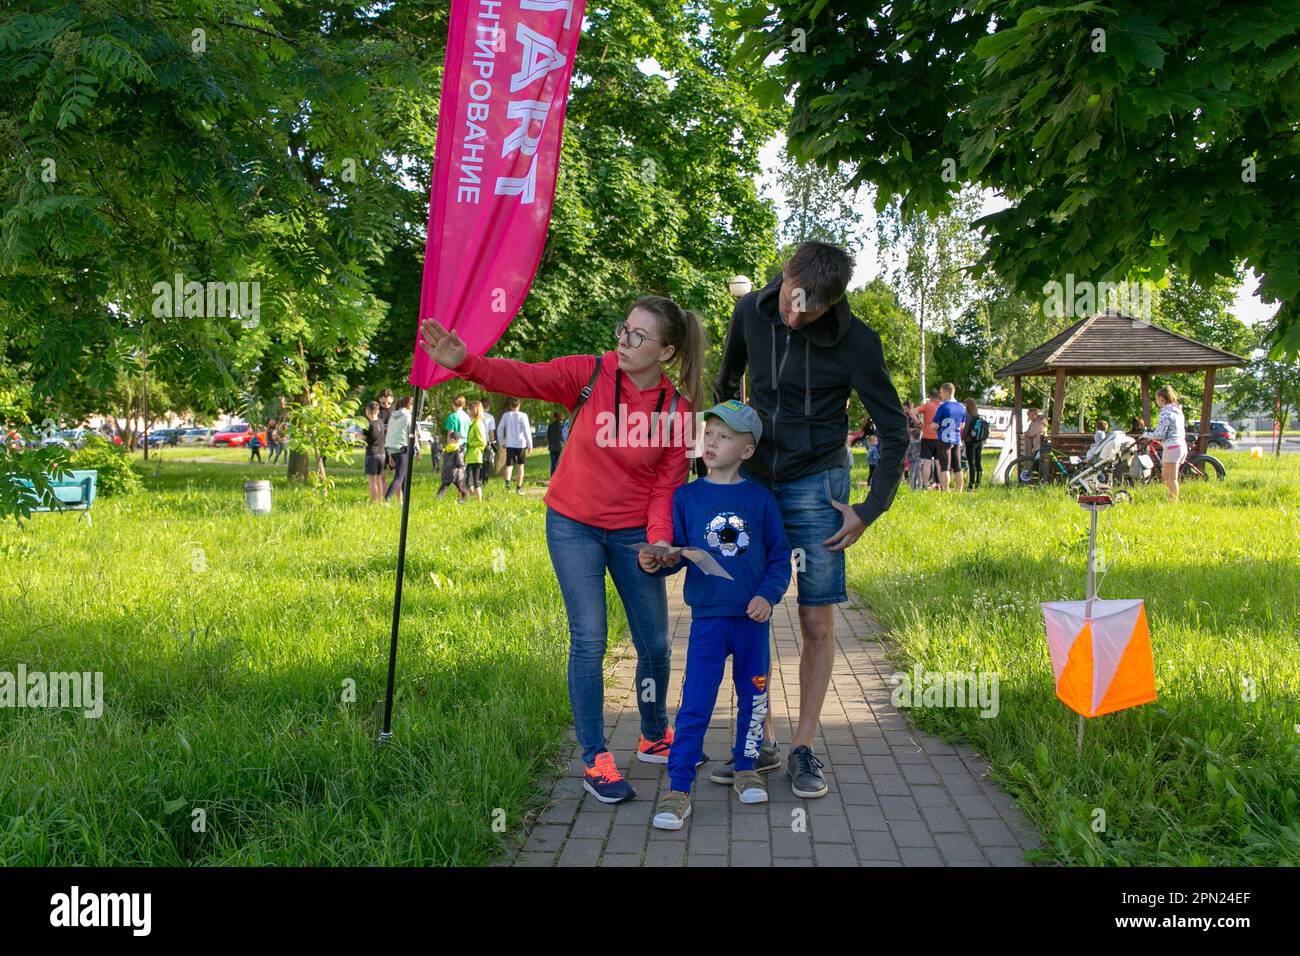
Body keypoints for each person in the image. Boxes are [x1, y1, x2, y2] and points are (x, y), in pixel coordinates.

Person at [418, 294, 705, 803]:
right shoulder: (588, 374)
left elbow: (666, 486)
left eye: (639, 336)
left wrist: (659, 540)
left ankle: (654, 734)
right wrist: (465, 362)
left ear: (665, 352)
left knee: (656, 645)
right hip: (572, 525)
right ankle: (595, 756)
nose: (624, 339)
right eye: (625, 328)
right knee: (590, 639)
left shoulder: (676, 411)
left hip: (632, 534)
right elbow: (522, 377)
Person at [713, 240, 908, 799]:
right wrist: (726, 457)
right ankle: (760, 738)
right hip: (753, 481)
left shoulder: (859, 344)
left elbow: (894, 432)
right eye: (791, 301)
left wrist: (870, 510)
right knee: (749, 612)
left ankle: (803, 746)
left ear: (833, 302)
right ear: (784, 273)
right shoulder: (751, 311)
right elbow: (726, 386)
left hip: (818, 485)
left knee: (816, 622)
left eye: (809, 310)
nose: (793, 315)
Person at [643, 401, 792, 828]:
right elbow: (677, 551)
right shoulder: (687, 497)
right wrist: (665, 558)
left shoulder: (760, 500)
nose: (711, 441)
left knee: (754, 697)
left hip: (752, 622)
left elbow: (781, 557)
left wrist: (768, 595)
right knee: (695, 704)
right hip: (707, 621)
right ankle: (679, 787)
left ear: (746, 451)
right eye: (708, 433)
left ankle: (746, 766)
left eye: (724, 436)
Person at [1149, 385, 1187, 500]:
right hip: (1180, 445)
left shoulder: (1166, 413)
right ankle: (1172, 499)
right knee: (1168, 477)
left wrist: (1147, 434)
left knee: (1170, 478)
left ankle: (1174, 501)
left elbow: (1160, 434)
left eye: (1156, 399)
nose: (1156, 402)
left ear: (1161, 399)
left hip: (1172, 447)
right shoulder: (1177, 411)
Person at [437, 395, 470, 501]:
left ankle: (443, 496)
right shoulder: (467, 417)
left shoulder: (452, 417)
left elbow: (450, 434)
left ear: (453, 404)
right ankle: (462, 497)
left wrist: (448, 447)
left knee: (451, 472)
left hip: (455, 447)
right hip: (464, 447)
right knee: (460, 472)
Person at [933, 383, 965, 492]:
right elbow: (962, 426)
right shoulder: (962, 407)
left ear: (946, 392)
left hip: (944, 439)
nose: (940, 395)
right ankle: (959, 491)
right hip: (956, 439)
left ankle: (946, 491)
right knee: (958, 467)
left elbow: (934, 425)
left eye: (941, 393)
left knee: (945, 467)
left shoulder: (943, 406)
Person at [497, 397, 533, 493]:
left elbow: (499, 429)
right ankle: (518, 488)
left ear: (510, 406)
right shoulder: (523, 416)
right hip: (521, 444)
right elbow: (527, 431)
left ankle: (507, 484)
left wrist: (501, 443)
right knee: (521, 466)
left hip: (510, 444)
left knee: (509, 465)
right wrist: (530, 444)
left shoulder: (506, 415)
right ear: (519, 405)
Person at [383, 395, 413, 504]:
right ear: (409, 405)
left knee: (403, 477)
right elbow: (411, 434)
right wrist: (415, 450)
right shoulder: (408, 417)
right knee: (399, 477)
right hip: (403, 449)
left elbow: (389, 433)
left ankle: (406, 501)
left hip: (392, 448)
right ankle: (387, 499)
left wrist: (389, 453)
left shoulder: (393, 416)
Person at [917, 387, 942, 489]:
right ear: (939, 397)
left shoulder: (927, 406)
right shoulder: (942, 406)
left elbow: (912, 412)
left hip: (927, 436)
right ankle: (942, 485)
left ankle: (925, 486)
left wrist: (919, 423)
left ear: (930, 397)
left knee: (927, 462)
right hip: (940, 437)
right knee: (939, 463)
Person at [463, 400, 488, 502]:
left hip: (475, 456)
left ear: (474, 410)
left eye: (469, 409)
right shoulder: (473, 422)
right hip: (470, 456)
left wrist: (470, 444)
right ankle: (476, 499)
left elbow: (483, 442)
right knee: (468, 482)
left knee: (475, 481)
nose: (468, 411)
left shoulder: (478, 424)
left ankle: (480, 502)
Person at [362, 401, 387, 503]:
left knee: (372, 480)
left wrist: (354, 436)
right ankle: (380, 500)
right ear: (378, 411)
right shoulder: (381, 422)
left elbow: (362, 438)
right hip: (382, 454)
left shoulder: (369, 425)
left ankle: (374, 501)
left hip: (372, 454)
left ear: (367, 411)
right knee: (380, 479)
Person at [962, 398, 988, 490]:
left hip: (970, 441)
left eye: (964, 404)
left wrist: (963, 438)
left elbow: (966, 429)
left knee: (971, 463)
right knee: (978, 462)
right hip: (979, 441)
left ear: (967, 405)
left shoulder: (968, 416)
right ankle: (978, 482)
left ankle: (971, 483)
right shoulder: (978, 415)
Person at [547, 410, 567, 480]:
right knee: (560, 464)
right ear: (560, 417)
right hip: (560, 448)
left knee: (553, 464)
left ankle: (553, 478)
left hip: (552, 448)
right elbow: (565, 437)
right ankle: (560, 478)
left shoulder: (550, 426)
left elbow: (548, 436)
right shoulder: (563, 426)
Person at [907, 425, 925, 490]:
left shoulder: (911, 443)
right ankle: (919, 487)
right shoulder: (921, 443)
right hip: (920, 460)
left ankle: (911, 488)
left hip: (912, 461)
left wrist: (907, 458)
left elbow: (908, 451)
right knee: (919, 474)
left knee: (912, 474)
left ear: (912, 436)